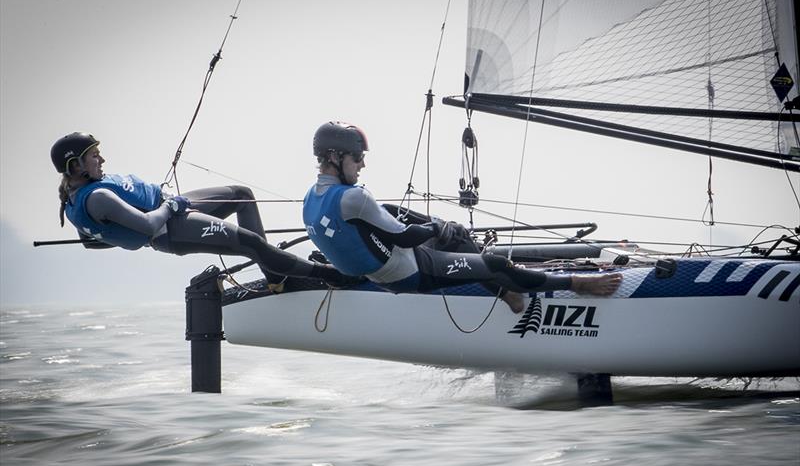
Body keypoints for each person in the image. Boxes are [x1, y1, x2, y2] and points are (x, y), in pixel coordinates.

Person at [302, 121, 622, 309]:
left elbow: (361, 239)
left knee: (397, 214)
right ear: (334, 156)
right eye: (358, 158)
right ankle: (577, 282)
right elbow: (403, 236)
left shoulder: (309, 200)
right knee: (494, 263)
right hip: (414, 272)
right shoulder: (353, 198)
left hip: (385, 269)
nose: (362, 165)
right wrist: (436, 226)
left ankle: (505, 292)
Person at [52, 131, 351, 286]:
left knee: (241, 195)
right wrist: (167, 209)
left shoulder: (75, 199)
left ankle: (275, 279)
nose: (101, 160)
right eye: (94, 156)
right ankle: (328, 275)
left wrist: (122, 229)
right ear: (75, 166)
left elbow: (93, 242)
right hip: (169, 226)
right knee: (252, 243)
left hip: (171, 208)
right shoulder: (96, 198)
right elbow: (146, 227)